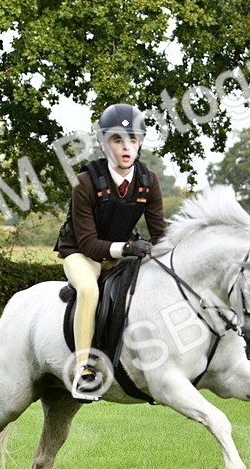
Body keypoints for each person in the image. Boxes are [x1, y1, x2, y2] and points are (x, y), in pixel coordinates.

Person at [54, 103, 166, 400]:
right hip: (81, 254)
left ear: (140, 143)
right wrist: (129, 247)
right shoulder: (85, 182)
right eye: (118, 140)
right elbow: (89, 243)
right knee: (89, 290)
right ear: (104, 144)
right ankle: (83, 370)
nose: (126, 147)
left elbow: (161, 233)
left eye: (133, 140)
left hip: (120, 257)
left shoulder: (148, 181)